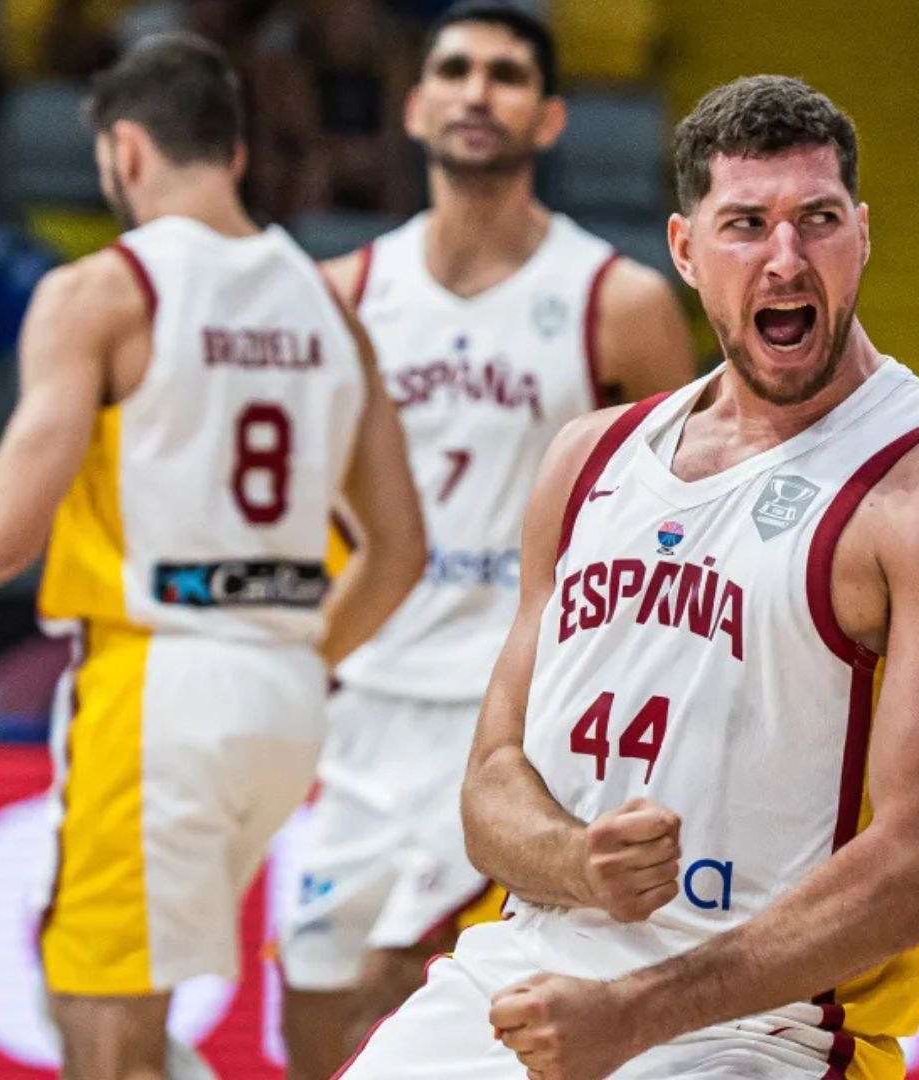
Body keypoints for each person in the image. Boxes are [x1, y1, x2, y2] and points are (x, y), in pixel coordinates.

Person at [336, 74, 919, 1080]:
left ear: (862, 236)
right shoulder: (587, 458)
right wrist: (578, 863)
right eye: (746, 224)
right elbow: (491, 778)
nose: (786, 257)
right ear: (684, 250)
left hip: (765, 1029)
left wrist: (635, 1014)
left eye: (817, 219)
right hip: (521, 973)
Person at [0, 34, 426, 1080]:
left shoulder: (106, 292)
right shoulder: (329, 307)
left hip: (157, 682)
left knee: (101, 1025)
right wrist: (296, 658)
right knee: (97, 996)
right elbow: (398, 550)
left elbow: (4, 532)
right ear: (237, 152)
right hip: (284, 698)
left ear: (125, 152)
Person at [277, 4, 696, 1074]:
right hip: (370, 692)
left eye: (506, 75)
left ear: (549, 117)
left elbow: (688, 510)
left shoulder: (619, 301)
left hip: (522, 700)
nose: (477, 91)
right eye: (455, 71)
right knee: (312, 990)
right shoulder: (341, 295)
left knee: (424, 982)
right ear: (414, 106)